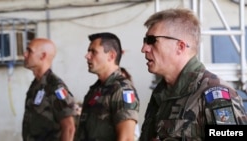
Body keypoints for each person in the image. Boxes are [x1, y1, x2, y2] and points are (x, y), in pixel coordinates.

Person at [139, 8, 247, 141]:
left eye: (152, 40)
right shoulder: (161, 93)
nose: (144, 48)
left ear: (180, 47)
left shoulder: (215, 94)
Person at [76, 32, 140, 141]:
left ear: (111, 55)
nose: (87, 56)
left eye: (93, 52)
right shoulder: (96, 89)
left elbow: (126, 138)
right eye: (88, 51)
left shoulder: (122, 89)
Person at [22, 38, 76, 141]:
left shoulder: (55, 86)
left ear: (43, 56)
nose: (25, 54)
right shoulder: (36, 85)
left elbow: (69, 128)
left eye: (30, 51)